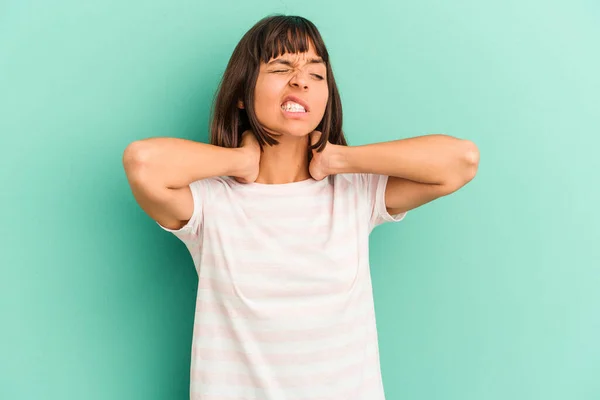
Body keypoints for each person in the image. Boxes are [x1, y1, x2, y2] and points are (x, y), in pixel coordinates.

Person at [122, 14, 479, 400]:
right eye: (281, 67)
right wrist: (239, 162)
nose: (300, 80)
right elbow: (143, 163)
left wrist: (339, 160)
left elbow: (461, 161)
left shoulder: (354, 195)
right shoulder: (211, 203)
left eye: (316, 73)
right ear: (242, 93)